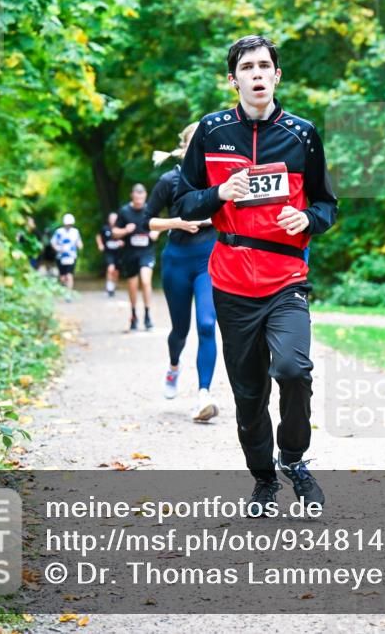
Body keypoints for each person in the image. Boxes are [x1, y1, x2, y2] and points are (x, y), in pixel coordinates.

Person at [174, 35, 337, 511]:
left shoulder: (303, 134)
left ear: (277, 75)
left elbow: (327, 204)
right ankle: (264, 478)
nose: (258, 74)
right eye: (248, 67)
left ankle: (293, 459)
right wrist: (220, 193)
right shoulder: (210, 131)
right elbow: (184, 202)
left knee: (293, 369)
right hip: (230, 280)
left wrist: (308, 219)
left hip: (286, 275)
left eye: (266, 66)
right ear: (234, 79)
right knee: (248, 395)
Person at [148, 124, 220, 420]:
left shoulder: (219, 179)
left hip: (208, 258)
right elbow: (148, 221)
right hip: (176, 259)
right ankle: (174, 366)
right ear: (185, 146)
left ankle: (204, 395)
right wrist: (177, 223)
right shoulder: (170, 179)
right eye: (195, 142)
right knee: (180, 330)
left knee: (207, 323)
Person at [112, 185, 159, 331]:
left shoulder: (150, 209)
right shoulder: (124, 211)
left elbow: (158, 226)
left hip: (147, 252)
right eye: (136, 196)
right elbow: (114, 232)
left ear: (145, 196)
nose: (139, 199)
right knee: (132, 285)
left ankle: (147, 315)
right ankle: (133, 315)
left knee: (145, 281)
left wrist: (155, 233)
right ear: (132, 195)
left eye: (141, 196)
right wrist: (125, 230)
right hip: (130, 253)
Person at [50, 213, 83, 293]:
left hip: (72, 256)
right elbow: (53, 242)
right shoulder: (59, 232)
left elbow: (79, 242)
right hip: (61, 257)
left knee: (69, 275)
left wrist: (80, 246)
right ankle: (64, 287)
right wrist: (58, 249)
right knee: (63, 276)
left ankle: (69, 293)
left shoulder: (75, 232)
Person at [95, 212, 123, 298]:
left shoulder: (120, 229)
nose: (113, 220)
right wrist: (100, 245)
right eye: (111, 219)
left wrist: (122, 242)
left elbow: (126, 238)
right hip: (108, 252)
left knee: (116, 272)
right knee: (110, 268)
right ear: (108, 220)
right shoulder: (105, 228)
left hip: (118, 253)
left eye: (115, 219)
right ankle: (109, 288)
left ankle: (113, 286)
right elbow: (98, 236)